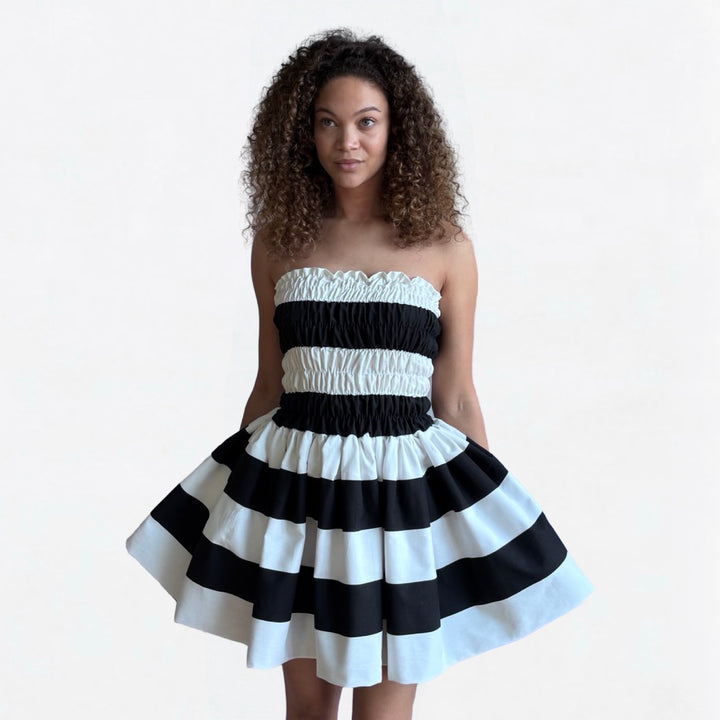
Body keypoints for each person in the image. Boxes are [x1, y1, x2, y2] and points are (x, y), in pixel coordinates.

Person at [126, 28, 592, 720]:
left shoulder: (445, 247)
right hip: (299, 498)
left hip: (399, 509)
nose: (347, 141)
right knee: (308, 714)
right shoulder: (278, 242)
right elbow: (270, 383)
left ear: (398, 129)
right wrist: (239, 508)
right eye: (328, 122)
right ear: (303, 133)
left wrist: (480, 523)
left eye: (366, 122)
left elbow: (456, 392)